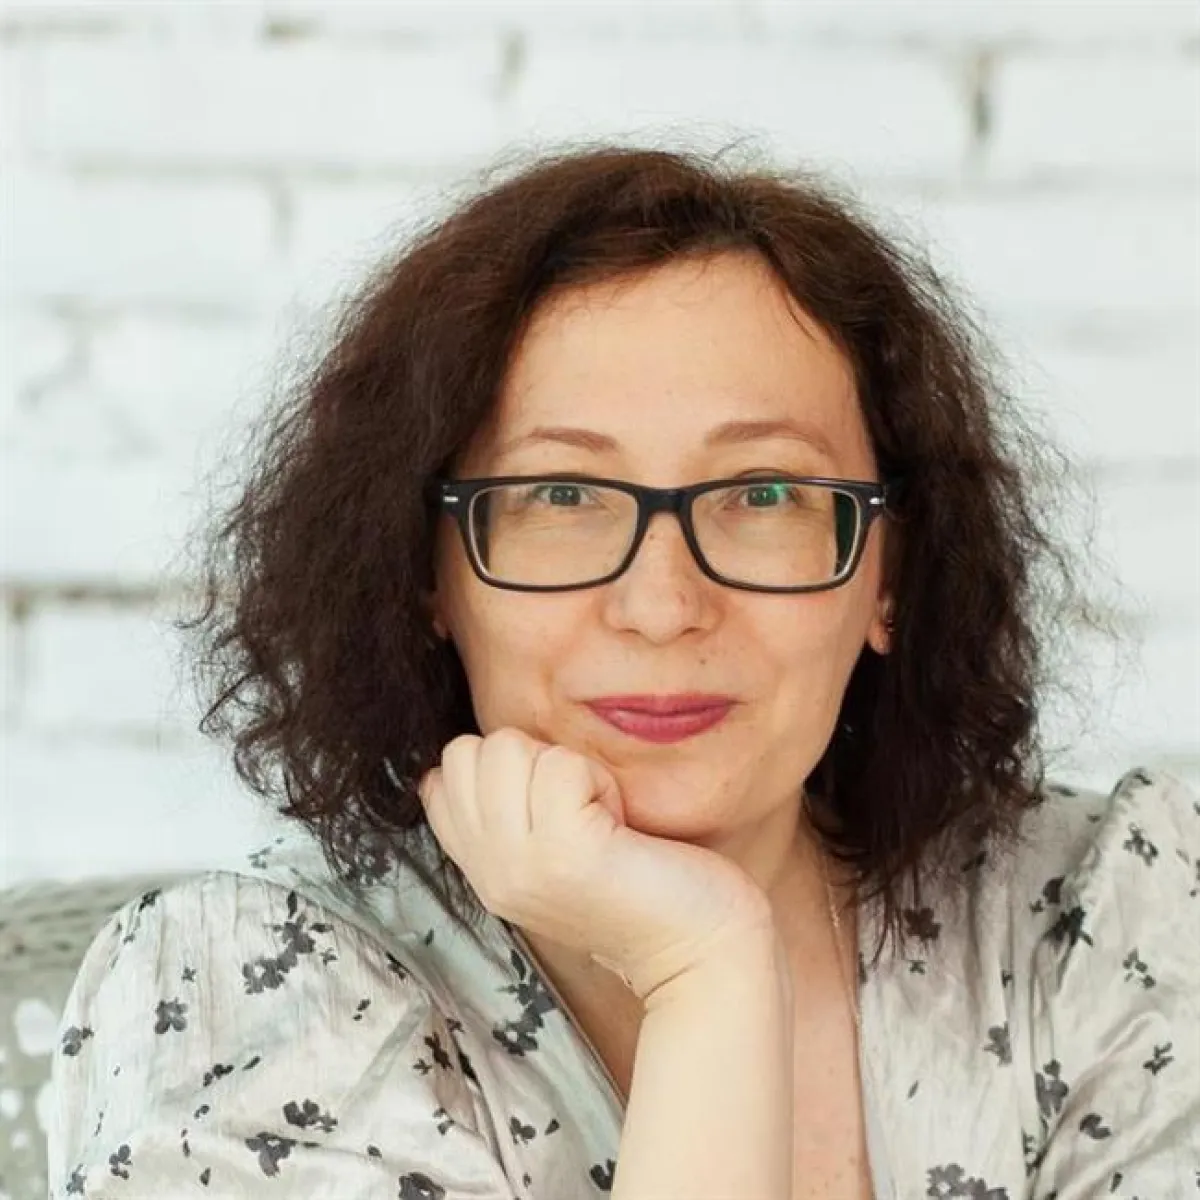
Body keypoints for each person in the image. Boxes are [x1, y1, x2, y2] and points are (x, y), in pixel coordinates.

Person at [46, 144, 1198, 1199]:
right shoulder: (246, 998)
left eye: (764, 494)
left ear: (887, 576)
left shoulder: (1105, 926)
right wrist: (705, 969)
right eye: (559, 496)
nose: (661, 606)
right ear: (425, 575)